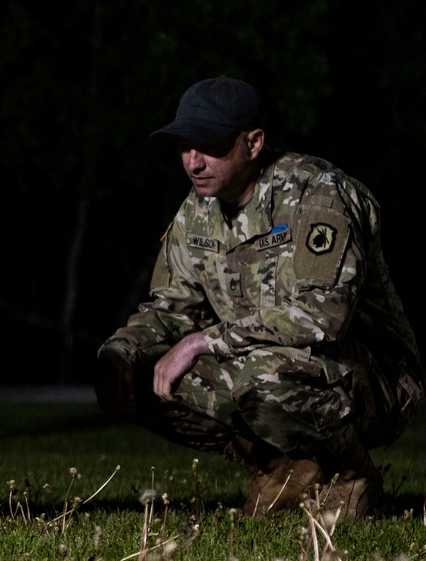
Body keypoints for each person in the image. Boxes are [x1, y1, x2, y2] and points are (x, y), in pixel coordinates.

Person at [94, 76, 423, 519]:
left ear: (253, 144)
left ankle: (354, 473)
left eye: (209, 145)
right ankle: (284, 467)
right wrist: (119, 351)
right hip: (269, 367)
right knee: (138, 378)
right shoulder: (197, 208)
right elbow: (173, 305)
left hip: (371, 378)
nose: (193, 162)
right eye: (185, 146)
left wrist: (200, 342)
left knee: (259, 375)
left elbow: (324, 318)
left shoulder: (318, 193)